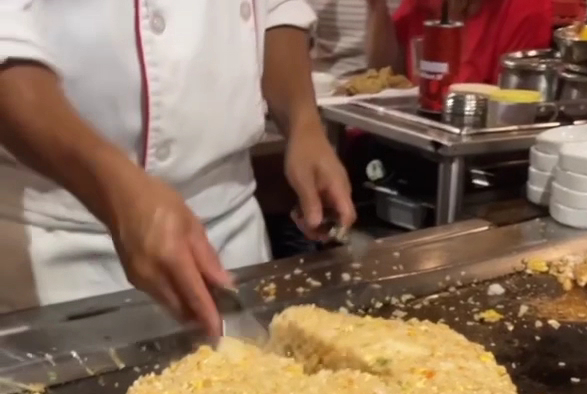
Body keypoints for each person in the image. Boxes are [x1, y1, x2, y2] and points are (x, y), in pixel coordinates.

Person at [0, 2, 355, 337]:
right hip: (62, 247)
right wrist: (115, 190)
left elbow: (277, 9)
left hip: (233, 235)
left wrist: (304, 124)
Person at [366, 0, 553, 88]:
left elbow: (509, 108)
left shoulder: (526, 8)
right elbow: (383, 72)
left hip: (481, 147)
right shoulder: (422, 5)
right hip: (417, 135)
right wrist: (377, 7)